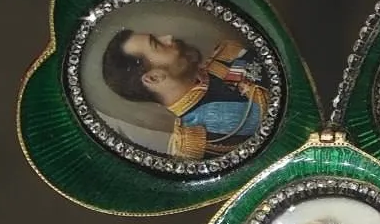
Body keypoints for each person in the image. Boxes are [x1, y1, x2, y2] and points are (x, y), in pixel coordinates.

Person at [100, 29, 268, 161]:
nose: (168, 37)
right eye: (157, 44)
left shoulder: (225, 54)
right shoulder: (199, 139)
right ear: (154, 78)